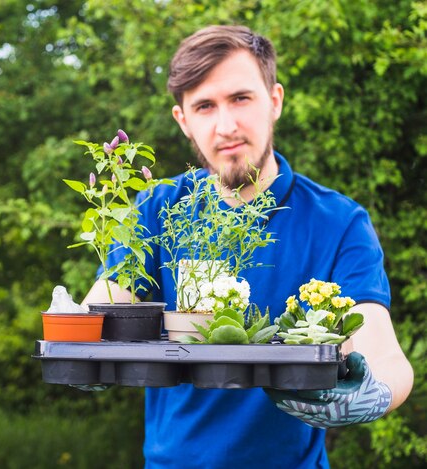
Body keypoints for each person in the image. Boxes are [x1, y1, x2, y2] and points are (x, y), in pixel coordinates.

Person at [82, 25, 413, 468]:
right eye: (204, 106)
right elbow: (105, 305)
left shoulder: (338, 222)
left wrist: (373, 394)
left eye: (241, 98)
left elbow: (386, 353)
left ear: (274, 100)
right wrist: (82, 346)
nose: (226, 126)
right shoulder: (157, 208)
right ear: (183, 120)